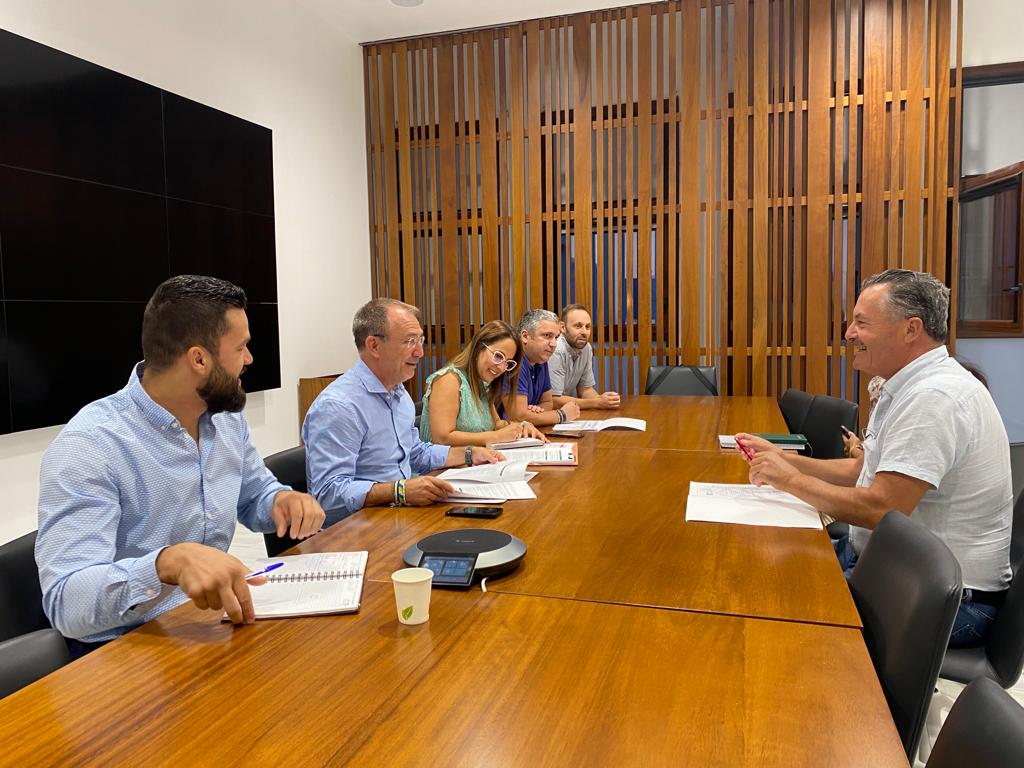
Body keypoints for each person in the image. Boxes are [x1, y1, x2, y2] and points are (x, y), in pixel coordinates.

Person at [35, 275, 326, 652]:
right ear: (199, 359)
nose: (250, 360)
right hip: (126, 652)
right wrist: (164, 564)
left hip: (208, 626)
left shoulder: (224, 418)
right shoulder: (91, 447)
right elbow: (65, 602)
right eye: (241, 348)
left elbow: (255, 496)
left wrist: (282, 500)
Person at [738, 269, 1012, 648]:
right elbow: (864, 471)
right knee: (755, 561)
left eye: (862, 323)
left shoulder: (935, 398)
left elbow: (884, 508)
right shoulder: (906, 385)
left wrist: (789, 481)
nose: (849, 333)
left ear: (911, 329)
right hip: (891, 569)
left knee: (769, 609)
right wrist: (785, 461)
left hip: (946, 600)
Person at [303, 298, 504, 525]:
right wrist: (399, 490)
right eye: (410, 341)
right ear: (374, 346)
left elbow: (415, 453)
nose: (420, 352)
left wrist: (469, 454)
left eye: (421, 340)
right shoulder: (339, 406)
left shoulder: (398, 393)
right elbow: (328, 494)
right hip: (353, 532)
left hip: (396, 518)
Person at [419, 320, 547, 446]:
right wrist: (496, 437)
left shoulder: (482, 383)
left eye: (508, 363)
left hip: (473, 462)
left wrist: (521, 426)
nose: (502, 368)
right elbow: (442, 438)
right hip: (442, 466)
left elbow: (496, 424)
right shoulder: (448, 380)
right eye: (498, 356)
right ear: (479, 347)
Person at [505, 309, 581, 427]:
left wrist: (536, 412)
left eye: (556, 337)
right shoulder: (514, 361)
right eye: (547, 336)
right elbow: (518, 417)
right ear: (525, 336)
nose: (553, 344)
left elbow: (547, 402)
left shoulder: (540, 359)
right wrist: (561, 415)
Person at [549, 304, 621, 411]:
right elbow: (554, 401)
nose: (584, 332)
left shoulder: (586, 348)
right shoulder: (556, 350)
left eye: (587, 327)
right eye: (578, 326)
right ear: (562, 328)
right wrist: (596, 402)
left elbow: (585, 390)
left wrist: (603, 400)